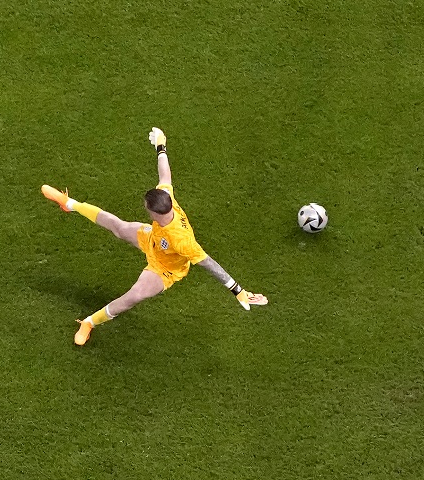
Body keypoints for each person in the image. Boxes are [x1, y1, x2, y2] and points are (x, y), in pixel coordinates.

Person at [41, 127, 267, 345]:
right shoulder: (167, 200)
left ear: (154, 212)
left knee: (134, 296)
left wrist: (238, 290)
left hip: (165, 268)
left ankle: (89, 323)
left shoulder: (182, 241)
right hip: (152, 238)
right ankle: (69, 204)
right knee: (117, 226)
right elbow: (165, 174)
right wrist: (161, 145)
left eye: (145, 207)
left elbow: (209, 264)